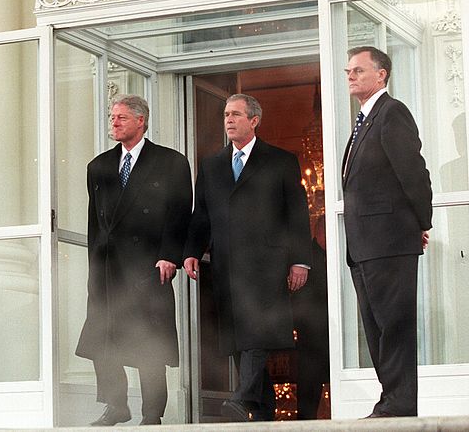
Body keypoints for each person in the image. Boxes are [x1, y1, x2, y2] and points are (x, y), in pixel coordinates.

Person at [183, 93, 312, 422]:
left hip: (267, 265)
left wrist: (300, 260)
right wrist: (191, 253)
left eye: (236, 114)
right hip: (228, 267)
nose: (228, 120)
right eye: (226, 114)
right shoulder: (212, 165)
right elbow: (202, 216)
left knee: (257, 333)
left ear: (254, 120)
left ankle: (241, 399)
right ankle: (265, 415)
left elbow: (296, 214)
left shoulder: (280, 160)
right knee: (241, 341)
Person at [75, 94, 193, 426]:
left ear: (141, 121)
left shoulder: (171, 162)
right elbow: (94, 225)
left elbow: (180, 213)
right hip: (108, 268)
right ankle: (115, 405)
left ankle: (152, 414)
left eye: (121, 118)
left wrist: (169, 256)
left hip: (148, 266)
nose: (114, 122)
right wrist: (94, 266)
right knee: (101, 336)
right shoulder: (97, 167)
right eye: (112, 117)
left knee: (148, 342)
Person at [342, 46, 432, 417]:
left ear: (381, 75)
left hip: (389, 242)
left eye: (358, 70)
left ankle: (399, 404)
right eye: (348, 71)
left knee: (394, 326)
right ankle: (391, 400)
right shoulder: (364, 118)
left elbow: (413, 172)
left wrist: (419, 223)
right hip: (365, 246)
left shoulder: (392, 113)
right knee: (377, 330)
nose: (350, 76)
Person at [291, 217, 329, 420]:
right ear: (321, 231)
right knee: (309, 387)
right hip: (311, 333)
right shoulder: (306, 259)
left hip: (330, 331)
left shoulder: (336, 255)